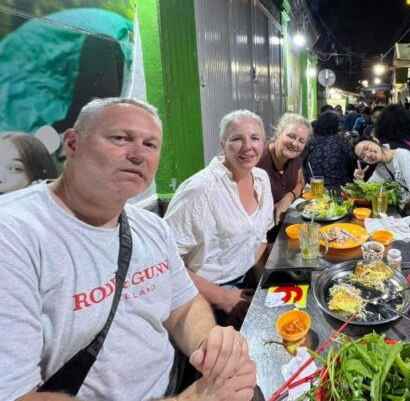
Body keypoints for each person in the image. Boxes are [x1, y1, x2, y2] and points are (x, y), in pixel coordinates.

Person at [0, 98, 256, 401]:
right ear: (72, 143)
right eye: (120, 138)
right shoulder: (14, 233)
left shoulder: (150, 226)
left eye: (150, 145)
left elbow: (183, 306)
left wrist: (212, 348)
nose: (137, 155)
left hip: (179, 384)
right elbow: (17, 395)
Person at [164, 110, 273, 325]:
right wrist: (223, 298)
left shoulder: (261, 178)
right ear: (222, 143)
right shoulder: (200, 190)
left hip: (244, 283)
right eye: (237, 139)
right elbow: (164, 262)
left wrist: (264, 285)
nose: (248, 147)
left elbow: (259, 237)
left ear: (264, 143)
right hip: (205, 294)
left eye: (255, 138)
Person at [354, 139, 410, 234]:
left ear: (375, 140)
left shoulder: (402, 156)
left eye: (367, 148)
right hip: (407, 214)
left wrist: (402, 218)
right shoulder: (381, 167)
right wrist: (360, 179)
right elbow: (368, 192)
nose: (368, 154)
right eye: (363, 156)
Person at [257, 113, 310, 236]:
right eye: (291, 136)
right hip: (260, 234)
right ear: (279, 132)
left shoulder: (295, 158)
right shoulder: (257, 159)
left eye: (301, 141)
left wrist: (288, 198)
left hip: (283, 228)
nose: (295, 144)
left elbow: (300, 183)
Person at [304, 111, 355, 189]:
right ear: (336, 125)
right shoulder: (341, 141)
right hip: (339, 186)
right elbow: (352, 161)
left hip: (313, 185)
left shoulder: (311, 141)